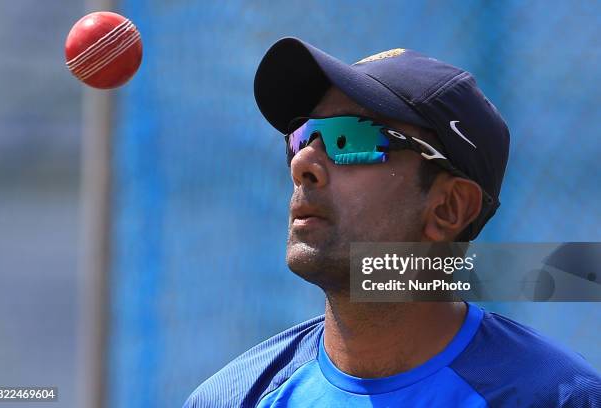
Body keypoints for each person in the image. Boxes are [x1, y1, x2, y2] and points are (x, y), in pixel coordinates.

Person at [183, 37, 601, 407]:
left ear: (448, 208)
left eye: (352, 139)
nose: (304, 163)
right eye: (302, 137)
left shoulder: (560, 397)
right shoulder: (234, 398)